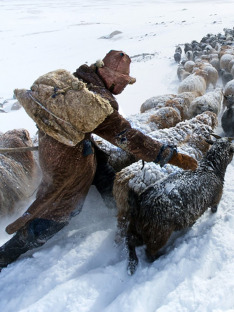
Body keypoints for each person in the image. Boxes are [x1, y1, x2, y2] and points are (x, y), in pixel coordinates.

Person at [0, 50, 197, 271]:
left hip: (56, 146)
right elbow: (128, 137)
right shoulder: (97, 104)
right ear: (109, 75)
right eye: (123, 81)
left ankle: (119, 210)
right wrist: (167, 155)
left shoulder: (81, 79)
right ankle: (7, 254)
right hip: (68, 159)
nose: (125, 87)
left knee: (102, 168)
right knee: (61, 211)